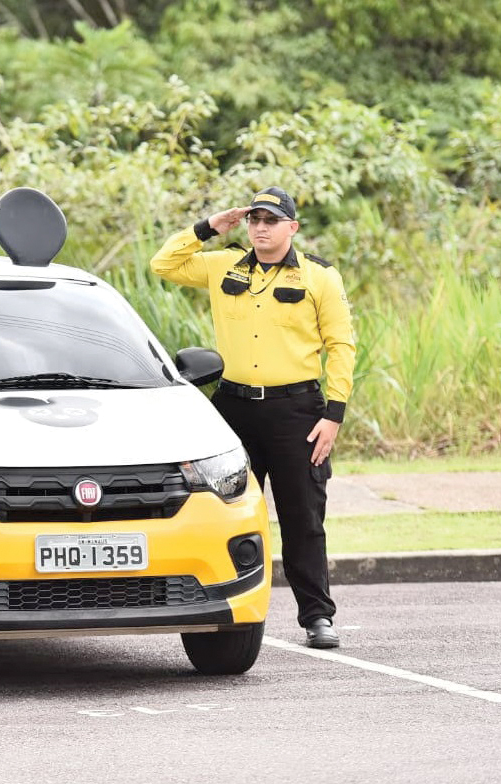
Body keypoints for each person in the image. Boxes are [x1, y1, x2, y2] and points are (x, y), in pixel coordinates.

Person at [150, 186, 356, 649]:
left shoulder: (319, 276)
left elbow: (341, 345)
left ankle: (318, 617)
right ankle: (223, 607)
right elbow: (163, 265)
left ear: (292, 227)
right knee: (224, 512)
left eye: (271, 220)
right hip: (234, 409)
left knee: (302, 517)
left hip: (297, 412)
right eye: (254, 220)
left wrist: (334, 415)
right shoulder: (225, 264)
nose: (260, 228)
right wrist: (209, 227)